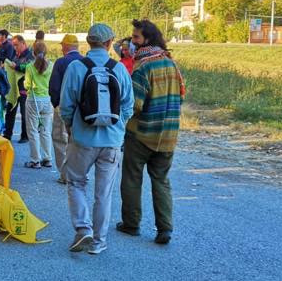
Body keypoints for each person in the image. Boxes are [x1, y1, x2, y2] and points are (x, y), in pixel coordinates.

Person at [59, 24, 134, 255]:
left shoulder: (76, 67)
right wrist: (118, 128)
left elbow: (66, 105)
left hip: (82, 139)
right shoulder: (119, 69)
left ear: (88, 42)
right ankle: (99, 242)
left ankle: (83, 229)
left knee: (76, 183)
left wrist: (71, 127)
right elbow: (128, 106)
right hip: (111, 141)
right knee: (104, 194)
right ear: (110, 43)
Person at [117, 20, 186, 245]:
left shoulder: (143, 67)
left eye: (136, 38)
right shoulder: (171, 64)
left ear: (147, 39)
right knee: (161, 180)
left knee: (131, 178)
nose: (132, 42)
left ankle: (131, 223)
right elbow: (181, 97)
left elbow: (135, 104)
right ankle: (164, 228)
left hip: (141, 133)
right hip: (168, 134)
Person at [49, 34, 83, 184]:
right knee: (78, 141)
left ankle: (65, 175)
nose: (61, 48)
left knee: (60, 139)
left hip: (63, 107)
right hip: (82, 108)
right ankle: (80, 172)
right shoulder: (86, 61)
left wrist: (55, 103)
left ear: (67, 46)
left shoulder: (61, 62)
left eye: (62, 45)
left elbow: (54, 86)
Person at [23, 41, 54, 169]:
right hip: (47, 99)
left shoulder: (30, 67)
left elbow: (27, 85)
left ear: (33, 53)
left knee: (33, 131)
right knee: (45, 130)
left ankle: (35, 160)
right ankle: (47, 158)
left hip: (33, 100)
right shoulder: (51, 65)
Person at [3, 35, 34, 143]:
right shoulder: (16, 55)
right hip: (14, 88)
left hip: (25, 88)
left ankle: (25, 136)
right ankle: (7, 134)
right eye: (13, 45)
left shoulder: (30, 55)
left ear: (23, 43)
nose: (14, 47)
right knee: (10, 110)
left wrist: (15, 67)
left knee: (25, 113)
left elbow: (29, 68)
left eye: (16, 45)